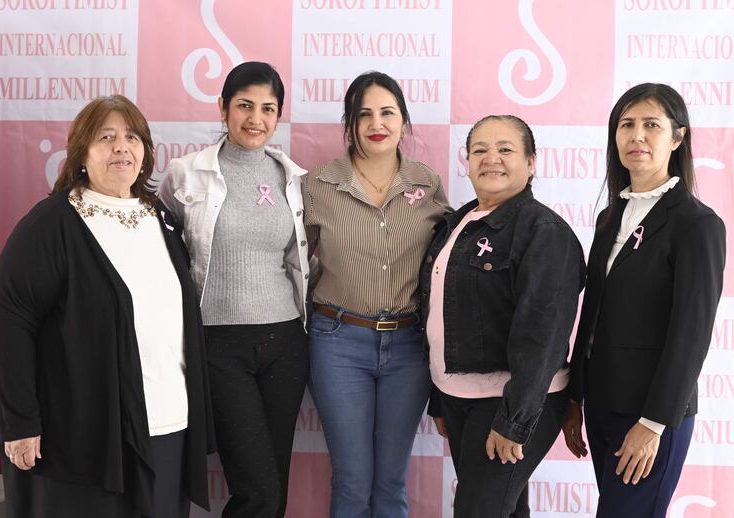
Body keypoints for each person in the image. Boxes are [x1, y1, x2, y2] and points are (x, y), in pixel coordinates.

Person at [0, 95, 214, 518]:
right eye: (106, 138)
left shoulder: (161, 218)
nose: (121, 147)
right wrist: (19, 422)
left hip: (167, 424)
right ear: (81, 153)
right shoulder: (52, 223)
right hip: (84, 436)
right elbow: (8, 318)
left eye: (132, 137)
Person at [563, 83, 726, 517]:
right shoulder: (609, 217)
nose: (636, 135)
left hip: (650, 415)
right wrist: (574, 398)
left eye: (651, 125)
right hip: (601, 403)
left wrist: (653, 424)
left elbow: (691, 335)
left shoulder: (697, 225)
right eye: (626, 125)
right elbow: (592, 314)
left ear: (677, 138)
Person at [159, 61, 310, 518]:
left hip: (286, 342)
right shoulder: (186, 173)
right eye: (245, 105)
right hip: (218, 345)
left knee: (274, 485)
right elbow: (163, 254)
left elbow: (297, 259)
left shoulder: (292, 177)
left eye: (268, 108)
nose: (256, 118)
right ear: (223, 107)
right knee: (257, 489)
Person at [421, 115, 586, 517]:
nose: (490, 158)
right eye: (479, 150)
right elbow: (439, 313)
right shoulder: (458, 222)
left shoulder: (545, 230)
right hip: (459, 398)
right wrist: (439, 400)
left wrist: (514, 421)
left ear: (531, 162)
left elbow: (543, 336)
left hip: (509, 403)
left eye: (505, 149)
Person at [303, 70, 449, 518]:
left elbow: (446, 265)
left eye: (387, 112)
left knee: (390, 482)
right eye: (363, 114)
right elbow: (294, 264)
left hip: (408, 347)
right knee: (351, 482)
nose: (376, 123)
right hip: (338, 342)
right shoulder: (318, 184)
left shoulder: (427, 183)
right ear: (349, 123)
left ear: (404, 120)